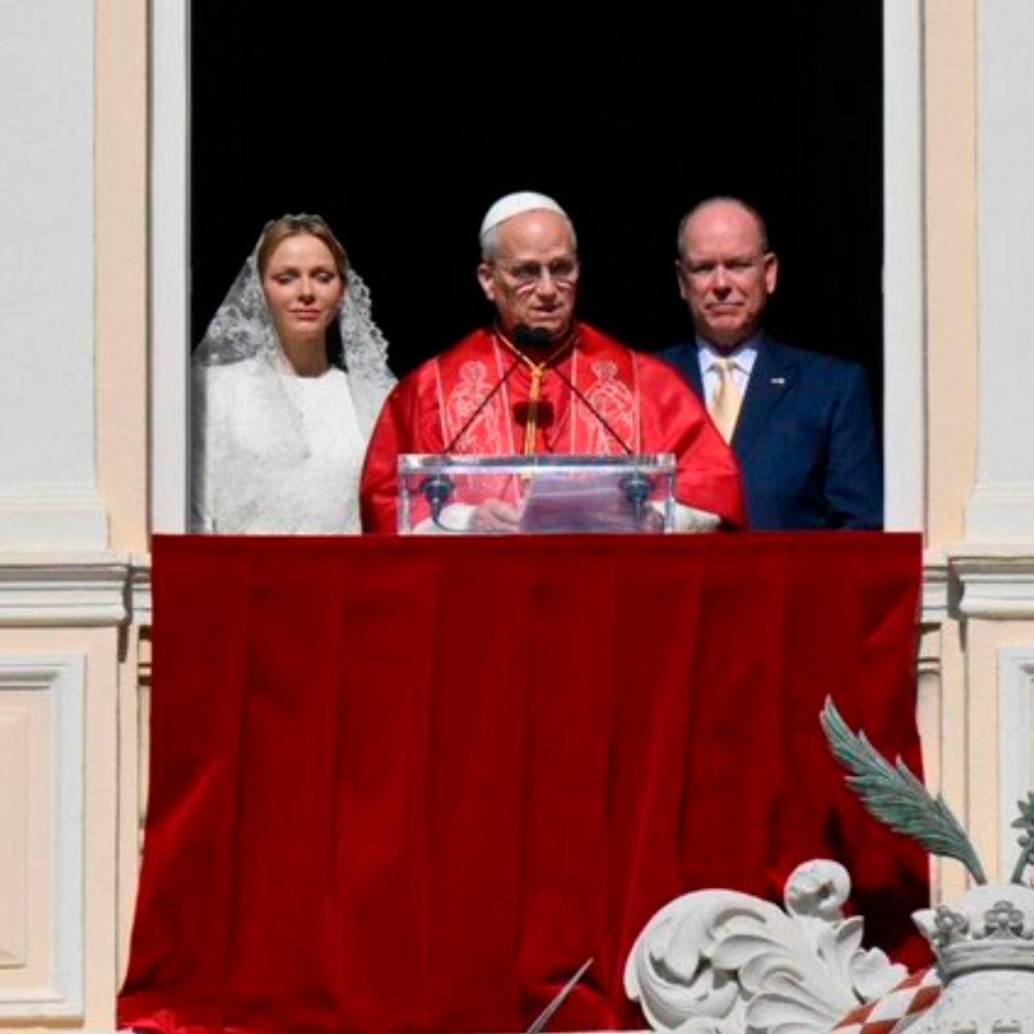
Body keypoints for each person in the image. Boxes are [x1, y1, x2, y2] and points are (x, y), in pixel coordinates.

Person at [360, 192, 744, 533]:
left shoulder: (644, 383)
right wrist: (466, 521)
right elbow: (385, 499)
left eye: (561, 269)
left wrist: (652, 516)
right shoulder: (432, 390)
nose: (547, 290)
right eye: (527, 272)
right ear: (488, 280)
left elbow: (713, 487)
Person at [658, 197, 882, 530]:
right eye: (704, 268)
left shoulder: (831, 389)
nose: (721, 284)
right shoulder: (645, 382)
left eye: (737, 265)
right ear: (681, 281)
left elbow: (859, 529)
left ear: (770, 273)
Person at [192, 214, 395, 533]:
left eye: (323, 277)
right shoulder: (216, 389)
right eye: (286, 278)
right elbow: (195, 509)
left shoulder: (375, 399)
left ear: (342, 292)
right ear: (261, 290)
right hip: (242, 577)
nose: (306, 292)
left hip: (345, 578)